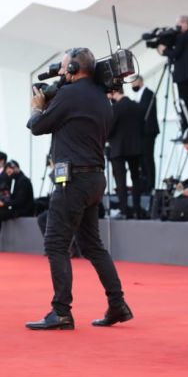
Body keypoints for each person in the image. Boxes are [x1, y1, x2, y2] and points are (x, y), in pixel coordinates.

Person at [25, 47, 132, 330]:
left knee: (56, 243)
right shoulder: (101, 98)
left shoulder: (69, 95)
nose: (60, 73)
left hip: (72, 180)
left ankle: (61, 311)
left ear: (73, 68)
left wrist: (38, 105)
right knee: (92, 246)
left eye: (62, 68)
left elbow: (36, 127)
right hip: (95, 178)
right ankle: (117, 304)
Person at [158, 15, 188, 134]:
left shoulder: (182, 37)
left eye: (178, 24)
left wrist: (164, 50)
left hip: (182, 75)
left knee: (183, 103)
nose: (177, 27)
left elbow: (174, 54)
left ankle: (186, 130)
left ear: (185, 23)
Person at [108, 87, 144, 219]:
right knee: (136, 179)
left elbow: (109, 128)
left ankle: (123, 209)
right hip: (135, 148)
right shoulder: (137, 106)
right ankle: (137, 208)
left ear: (113, 92)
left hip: (118, 149)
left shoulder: (116, 108)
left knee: (120, 180)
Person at [130, 75, 160, 194]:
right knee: (142, 159)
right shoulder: (138, 95)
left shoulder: (148, 93)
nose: (133, 86)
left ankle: (151, 185)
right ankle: (145, 184)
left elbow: (144, 110)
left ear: (139, 81)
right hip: (141, 132)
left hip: (148, 131)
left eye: (133, 83)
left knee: (148, 158)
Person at [0, 160, 34, 231]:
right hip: (19, 209)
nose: (9, 175)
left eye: (9, 172)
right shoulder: (17, 180)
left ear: (15, 168)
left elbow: (20, 201)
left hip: (23, 211)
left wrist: (4, 203)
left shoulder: (23, 181)